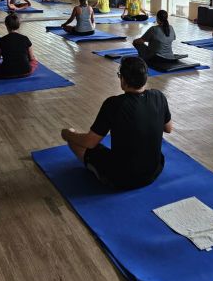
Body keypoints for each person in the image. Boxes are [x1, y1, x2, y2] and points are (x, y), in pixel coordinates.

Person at [61, 56, 172, 190]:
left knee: (74, 140)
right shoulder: (159, 96)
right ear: (145, 78)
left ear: (123, 80)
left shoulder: (113, 104)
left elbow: (90, 142)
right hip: (154, 171)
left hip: (121, 178)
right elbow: (168, 128)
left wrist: (68, 134)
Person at [0, 13, 38, 78]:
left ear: (6, 25)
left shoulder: (1, 40)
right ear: (19, 25)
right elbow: (31, 58)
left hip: (6, 73)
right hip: (26, 72)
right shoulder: (25, 38)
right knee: (34, 59)